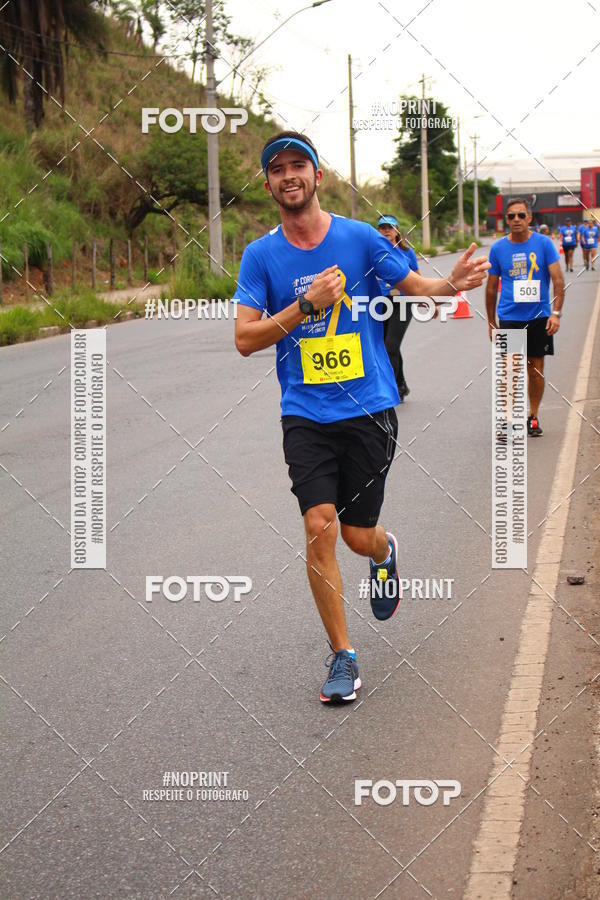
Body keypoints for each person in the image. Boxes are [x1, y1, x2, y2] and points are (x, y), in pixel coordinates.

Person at [234, 130, 490, 702]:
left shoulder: (358, 239)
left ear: (318, 175)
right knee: (318, 526)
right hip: (304, 412)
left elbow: (418, 286)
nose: (289, 175)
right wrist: (305, 305)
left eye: (299, 164)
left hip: (369, 408)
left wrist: (450, 284)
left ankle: (384, 550)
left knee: (355, 536)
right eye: (277, 169)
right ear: (269, 183)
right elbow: (245, 339)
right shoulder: (261, 255)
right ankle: (343, 656)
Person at [485, 197, 565, 437]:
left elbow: (559, 281)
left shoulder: (544, 244)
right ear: (506, 220)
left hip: (539, 316)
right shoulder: (498, 248)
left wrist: (557, 313)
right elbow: (491, 288)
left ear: (530, 218)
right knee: (510, 369)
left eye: (521, 215)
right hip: (509, 316)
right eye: (511, 216)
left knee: (535, 368)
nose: (516, 220)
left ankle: (532, 415)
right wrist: (491, 323)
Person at [376, 214, 420, 401]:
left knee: (390, 346)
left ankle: (391, 389)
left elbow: (418, 278)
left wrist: (429, 301)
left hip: (402, 303)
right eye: (382, 228)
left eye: (390, 227)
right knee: (388, 346)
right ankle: (401, 385)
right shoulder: (374, 251)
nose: (386, 231)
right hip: (379, 304)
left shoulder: (406, 252)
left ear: (397, 231)